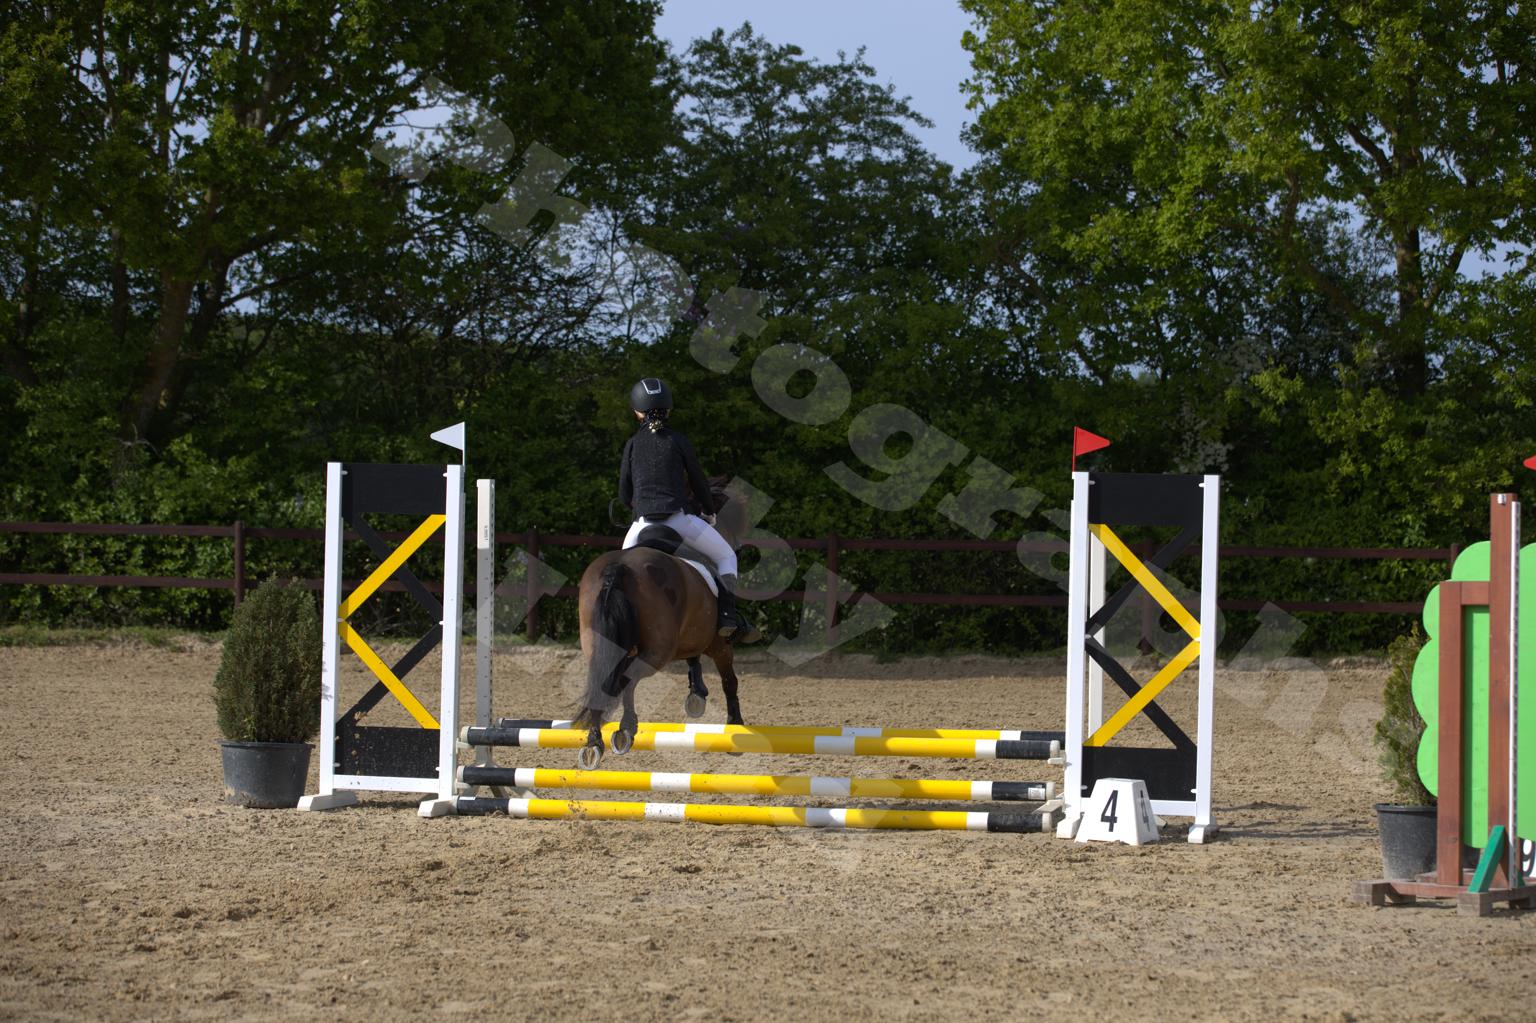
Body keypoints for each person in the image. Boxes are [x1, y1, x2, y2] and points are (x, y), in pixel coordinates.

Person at [618, 377, 760, 643]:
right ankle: (728, 617)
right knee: (727, 556)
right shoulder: (678, 441)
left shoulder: (632, 444)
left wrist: (638, 508)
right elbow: (698, 481)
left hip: (642, 526)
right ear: (668, 410)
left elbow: (624, 494)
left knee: (620, 573)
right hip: (679, 522)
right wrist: (710, 512)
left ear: (637, 412)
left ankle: (621, 626)